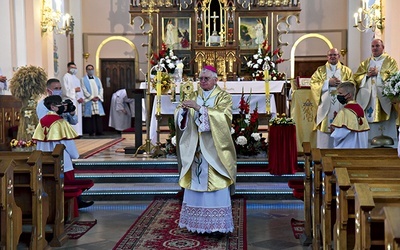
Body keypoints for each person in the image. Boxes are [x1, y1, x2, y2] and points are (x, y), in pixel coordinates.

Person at [174, 65, 237, 235]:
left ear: (215, 80)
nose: (202, 81)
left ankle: (218, 226)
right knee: (195, 183)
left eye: (206, 78)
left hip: (214, 151)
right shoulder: (194, 95)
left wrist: (199, 109)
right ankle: (198, 224)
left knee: (216, 185)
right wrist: (184, 112)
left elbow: (224, 119)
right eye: (200, 78)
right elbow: (179, 115)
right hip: (196, 148)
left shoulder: (223, 97)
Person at [32, 95, 94, 210]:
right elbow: (70, 147)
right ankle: (68, 212)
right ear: (53, 107)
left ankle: (49, 211)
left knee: (49, 187)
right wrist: (76, 155)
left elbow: (39, 144)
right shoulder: (60, 123)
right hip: (63, 163)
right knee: (66, 187)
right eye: (60, 105)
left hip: (46, 162)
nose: (62, 107)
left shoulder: (41, 122)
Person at [353, 39, 399, 146]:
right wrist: (367, 76)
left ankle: (390, 146)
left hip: (384, 98)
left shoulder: (390, 61)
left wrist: (379, 74)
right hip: (369, 99)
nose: (375, 48)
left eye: (377, 46)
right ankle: (369, 146)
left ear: (383, 47)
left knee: (387, 122)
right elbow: (356, 77)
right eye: (373, 46)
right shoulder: (365, 63)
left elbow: (394, 76)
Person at [310, 48, 353, 148]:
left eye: (335, 55)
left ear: (339, 56)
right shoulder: (320, 70)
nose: (332, 57)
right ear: (327, 57)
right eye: (330, 55)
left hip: (342, 107)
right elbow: (314, 84)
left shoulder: (346, 70)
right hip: (326, 108)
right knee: (325, 139)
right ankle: (322, 158)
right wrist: (327, 83)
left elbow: (353, 84)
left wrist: (342, 84)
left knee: (341, 132)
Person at [330, 81, 370, 148]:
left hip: (348, 148)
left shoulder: (345, 111)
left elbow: (340, 134)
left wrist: (334, 132)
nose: (338, 96)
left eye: (340, 93)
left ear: (349, 95)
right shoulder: (360, 109)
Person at [81, 64, 105, 136]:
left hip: (97, 99)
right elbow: (84, 89)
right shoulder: (83, 79)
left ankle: (99, 131)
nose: (90, 70)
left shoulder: (97, 79)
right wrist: (91, 97)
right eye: (89, 69)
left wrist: (98, 96)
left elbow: (101, 88)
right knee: (90, 116)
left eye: (92, 69)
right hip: (90, 100)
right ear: (86, 71)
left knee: (98, 115)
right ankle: (91, 131)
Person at [62, 62, 84, 136]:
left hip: (77, 101)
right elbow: (65, 90)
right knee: (71, 115)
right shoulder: (66, 77)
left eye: (75, 68)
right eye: (72, 67)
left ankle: (78, 133)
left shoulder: (76, 78)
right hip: (71, 99)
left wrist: (81, 97)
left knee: (78, 117)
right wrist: (74, 90)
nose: (74, 69)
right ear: (68, 68)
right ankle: (72, 133)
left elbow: (80, 89)